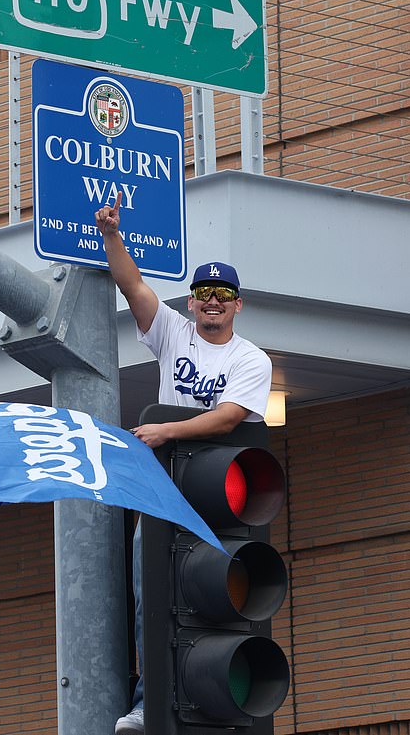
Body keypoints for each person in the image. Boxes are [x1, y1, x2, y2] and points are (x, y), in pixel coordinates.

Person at [94, 193, 272, 735]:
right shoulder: (173, 333)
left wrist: (166, 429)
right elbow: (134, 286)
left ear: (237, 304)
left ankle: (221, 702)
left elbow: (227, 418)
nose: (212, 302)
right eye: (203, 293)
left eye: (223, 294)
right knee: (152, 592)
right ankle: (151, 703)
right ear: (192, 301)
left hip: (221, 493)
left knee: (216, 596)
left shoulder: (250, 358)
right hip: (164, 485)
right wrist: (111, 235)